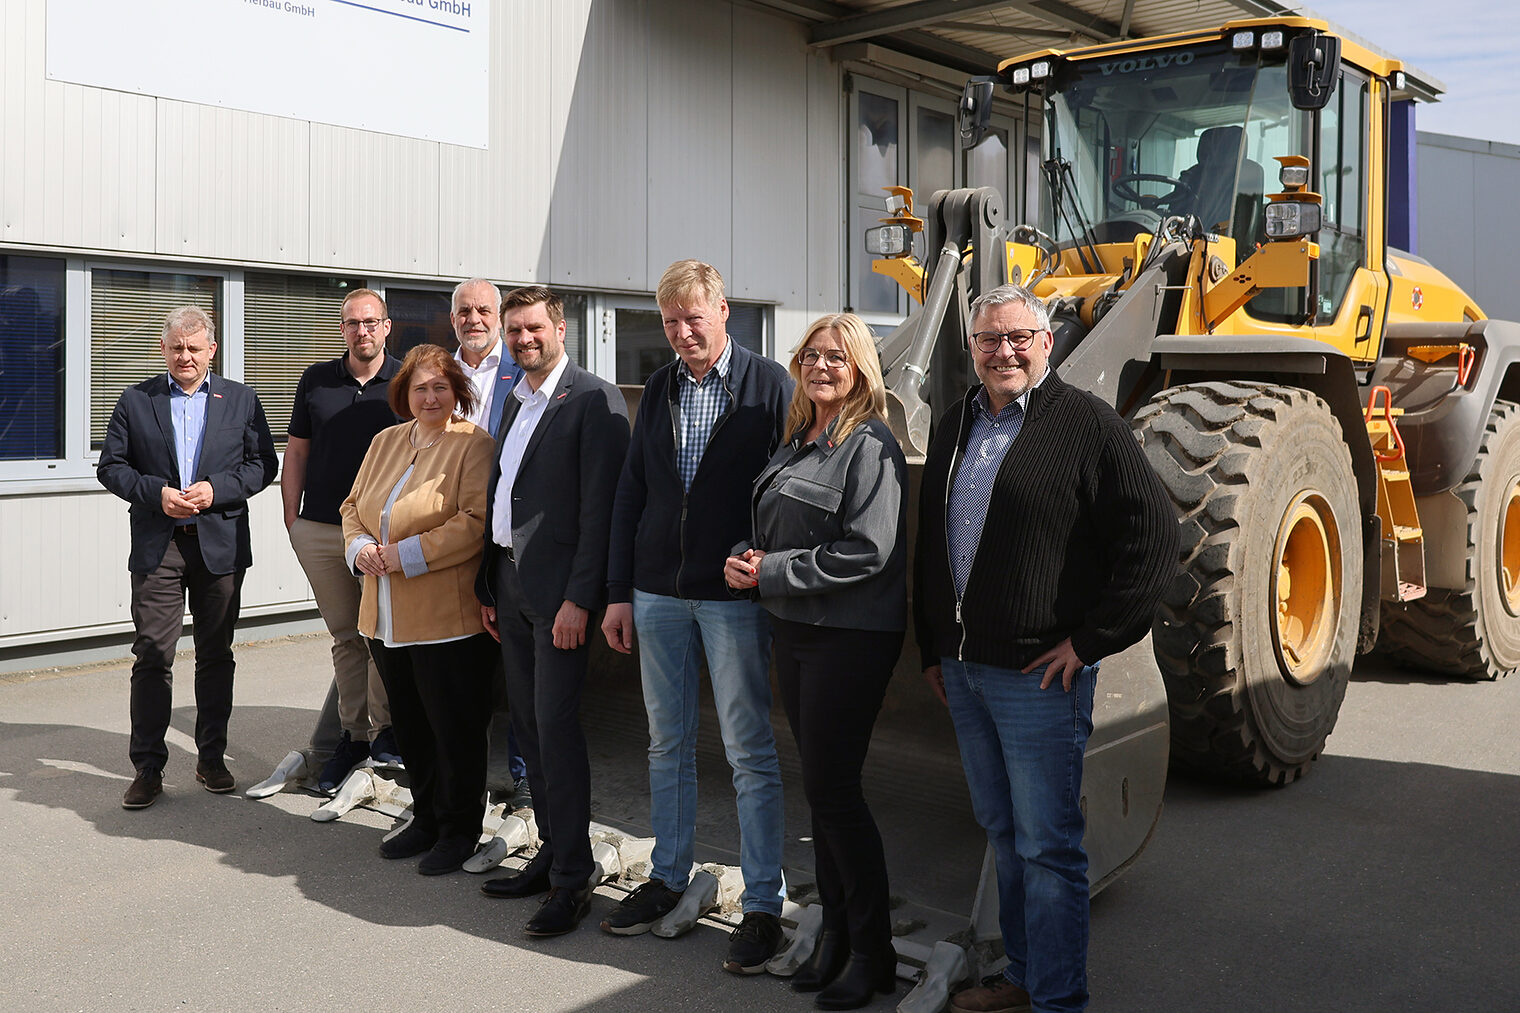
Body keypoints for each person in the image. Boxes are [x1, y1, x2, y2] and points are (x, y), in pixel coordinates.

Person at [914, 284, 1178, 1013]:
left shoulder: (1089, 425)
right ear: (971, 349)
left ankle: (1059, 998)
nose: (1004, 351)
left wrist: (1092, 639)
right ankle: (1025, 975)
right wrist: (932, 648)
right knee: (1002, 833)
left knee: (1048, 847)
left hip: (1036, 678)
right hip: (965, 672)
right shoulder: (952, 426)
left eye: (1019, 337)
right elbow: (932, 550)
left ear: (1047, 342)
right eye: (989, 340)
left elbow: (1154, 537)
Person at [599, 260, 792, 973]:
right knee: (666, 742)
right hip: (656, 593)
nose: (683, 333)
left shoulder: (769, 384)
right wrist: (619, 590)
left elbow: (788, 486)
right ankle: (668, 875)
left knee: (748, 752)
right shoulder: (659, 389)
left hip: (731, 599)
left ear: (724, 311)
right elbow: (633, 491)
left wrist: (759, 554)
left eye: (694, 317)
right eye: (671, 322)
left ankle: (763, 904)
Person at [725, 313, 907, 1010]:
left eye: (837, 356)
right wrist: (750, 555)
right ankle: (835, 937)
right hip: (794, 629)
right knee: (821, 791)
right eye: (812, 354)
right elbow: (784, 525)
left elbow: (870, 550)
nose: (822, 365)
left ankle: (873, 952)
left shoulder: (871, 443)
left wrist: (772, 569)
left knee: (835, 793)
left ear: (860, 366)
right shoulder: (801, 437)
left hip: (848, 636)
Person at [476, 285, 629, 937]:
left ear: (560, 329)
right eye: (513, 330)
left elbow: (603, 510)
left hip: (561, 596)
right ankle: (552, 853)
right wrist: (490, 584)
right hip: (511, 587)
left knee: (557, 732)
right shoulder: (516, 398)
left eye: (532, 327)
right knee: (531, 733)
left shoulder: (593, 399)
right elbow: (504, 494)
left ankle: (573, 879)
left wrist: (580, 598)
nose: (522, 339)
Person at [97, 305, 277, 809]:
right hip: (160, 545)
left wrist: (215, 488)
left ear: (212, 351)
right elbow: (111, 467)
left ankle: (211, 757)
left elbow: (263, 464)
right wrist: (156, 493)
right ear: (164, 348)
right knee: (153, 655)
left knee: (216, 654)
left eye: (195, 349)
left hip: (219, 544)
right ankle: (148, 768)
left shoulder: (240, 400)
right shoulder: (137, 400)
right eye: (177, 347)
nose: (185, 357)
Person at [340, 343, 497, 876]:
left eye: (440, 387)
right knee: (409, 726)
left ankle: (460, 830)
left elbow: (475, 522)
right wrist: (358, 549)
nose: (429, 397)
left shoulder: (473, 445)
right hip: (383, 617)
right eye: (419, 387)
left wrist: (402, 556)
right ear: (403, 393)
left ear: (458, 392)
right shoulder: (385, 440)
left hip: (443, 619)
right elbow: (352, 507)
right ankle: (427, 817)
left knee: (453, 729)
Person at [282, 287, 403, 792]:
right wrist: (293, 521)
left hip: (378, 536)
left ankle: (386, 736)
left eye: (371, 322)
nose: (363, 331)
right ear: (342, 329)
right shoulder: (317, 380)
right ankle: (352, 737)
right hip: (320, 531)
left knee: (380, 634)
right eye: (353, 323)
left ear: (387, 326)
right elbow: (297, 453)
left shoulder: (406, 380)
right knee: (346, 637)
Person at [447, 278, 531, 809]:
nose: (473, 319)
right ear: (450, 316)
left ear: (498, 316)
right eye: (463, 311)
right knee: (458, 663)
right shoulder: (437, 372)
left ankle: (525, 774)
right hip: (450, 535)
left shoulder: (524, 370)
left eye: (483, 310)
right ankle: (460, 777)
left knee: (519, 665)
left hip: (506, 537)